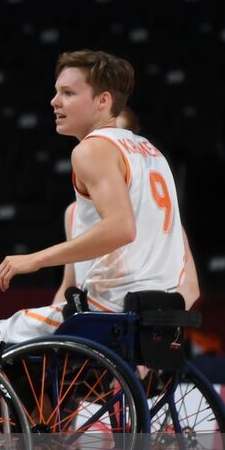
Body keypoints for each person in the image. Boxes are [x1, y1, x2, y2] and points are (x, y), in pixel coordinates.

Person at [0, 52, 191, 340]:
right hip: (162, 305)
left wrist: (34, 260)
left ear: (103, 100)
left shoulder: (92, 149)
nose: (54, 101)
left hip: (112, 309)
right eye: (56, 92)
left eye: (68, 93)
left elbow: (121, 228)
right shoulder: (150, 150)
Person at [50, 106, 200, 311]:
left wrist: (147, 314)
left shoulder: (160, 218)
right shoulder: (73, 213)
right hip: (87, 319)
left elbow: (191, 289)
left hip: (129, 321)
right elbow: (68, 286)